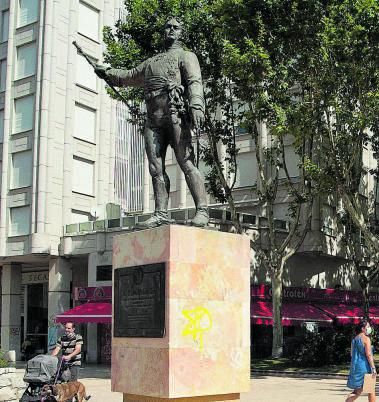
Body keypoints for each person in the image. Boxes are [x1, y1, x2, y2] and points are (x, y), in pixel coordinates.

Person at [95, 17, 209, 228]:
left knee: (186, 163)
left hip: (175, 114)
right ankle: (160, 213)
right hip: (153, 120)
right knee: (155, 168)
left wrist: (197, 105)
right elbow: (127, 76)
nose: (171, 30)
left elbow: (194, 82)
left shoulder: (186, 56)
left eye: (176, 27)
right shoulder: (151, 62)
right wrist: (107, 72)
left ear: (181, 33)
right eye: (167, 27)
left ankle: (202, 209)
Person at [346, 319, 377, 402]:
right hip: (365, 367)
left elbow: (352, 354)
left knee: (357, 391)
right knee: (371, 390)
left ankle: (348, 400)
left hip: (356, 367)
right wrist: (373, 368)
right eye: (368, 327)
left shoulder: (354, 339)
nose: (369, 328)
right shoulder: (366, 339)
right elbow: (369, 354)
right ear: (363, 328)